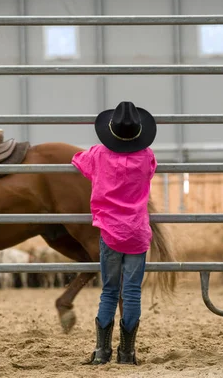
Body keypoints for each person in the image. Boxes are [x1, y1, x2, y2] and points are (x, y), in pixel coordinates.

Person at [72, 101, 157, 366]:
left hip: (109, 231)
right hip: (137, 232)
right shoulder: (146, 156)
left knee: (108, 291)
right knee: (131, 292)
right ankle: (127, 353)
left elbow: (78, 161)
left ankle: (101, 352)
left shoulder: (98, 154)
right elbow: (151, 170)